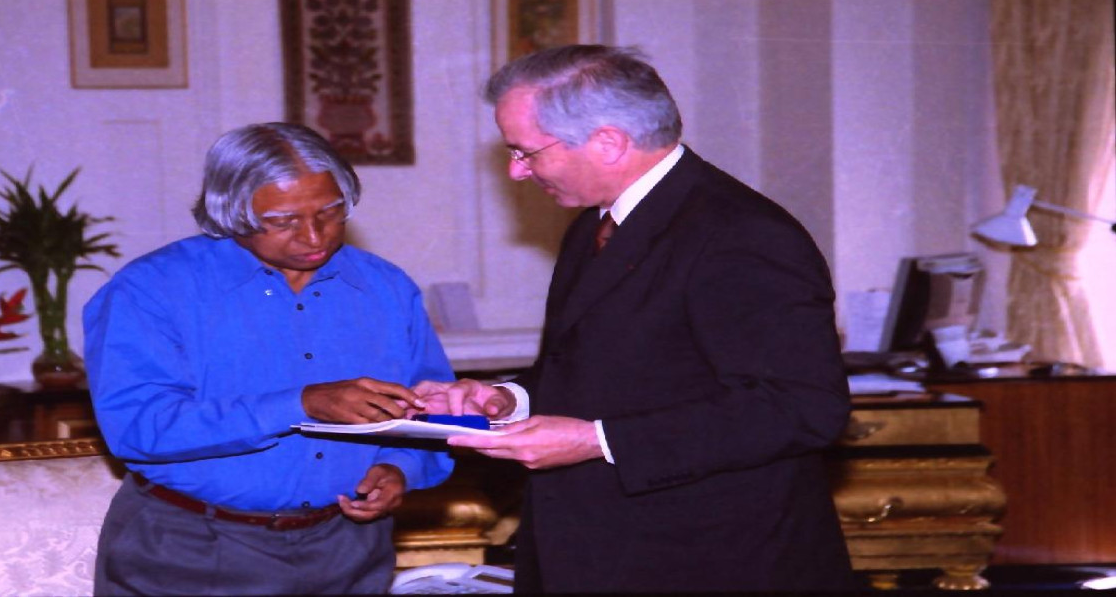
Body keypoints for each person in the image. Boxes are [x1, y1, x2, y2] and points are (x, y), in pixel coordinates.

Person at [415, 45, 856, 592]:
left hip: (711, 561)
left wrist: (597, 440)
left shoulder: (742, 233)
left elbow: (802, 407)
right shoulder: (595, 225)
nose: (516, 170)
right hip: (601, 551)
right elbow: (605, 373)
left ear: (608, 142)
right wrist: (508, 399)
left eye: (526, 152)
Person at [84, 122, 455, 595]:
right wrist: (300, 404)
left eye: (331, 212)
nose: (314, 235)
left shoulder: (386, 288)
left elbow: (432, 409)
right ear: (230, 212)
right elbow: (140, 428)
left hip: (349, 549)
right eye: (283, 221)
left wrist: (401, 467)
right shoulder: (150, 291)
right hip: (191, 552)